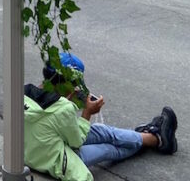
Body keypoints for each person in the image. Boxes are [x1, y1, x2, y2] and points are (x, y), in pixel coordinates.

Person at [24, 68, 178, 180]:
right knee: (108, 149)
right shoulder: (63, 108)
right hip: (54, 160)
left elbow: (52, 121)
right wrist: (87, 113)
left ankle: (149, 135)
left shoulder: (25, 93)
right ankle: (157, 139)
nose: (76, 90)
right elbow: (77, 142)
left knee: (101, 130)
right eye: (75, 86)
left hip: (39, 147)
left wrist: (70, 102)